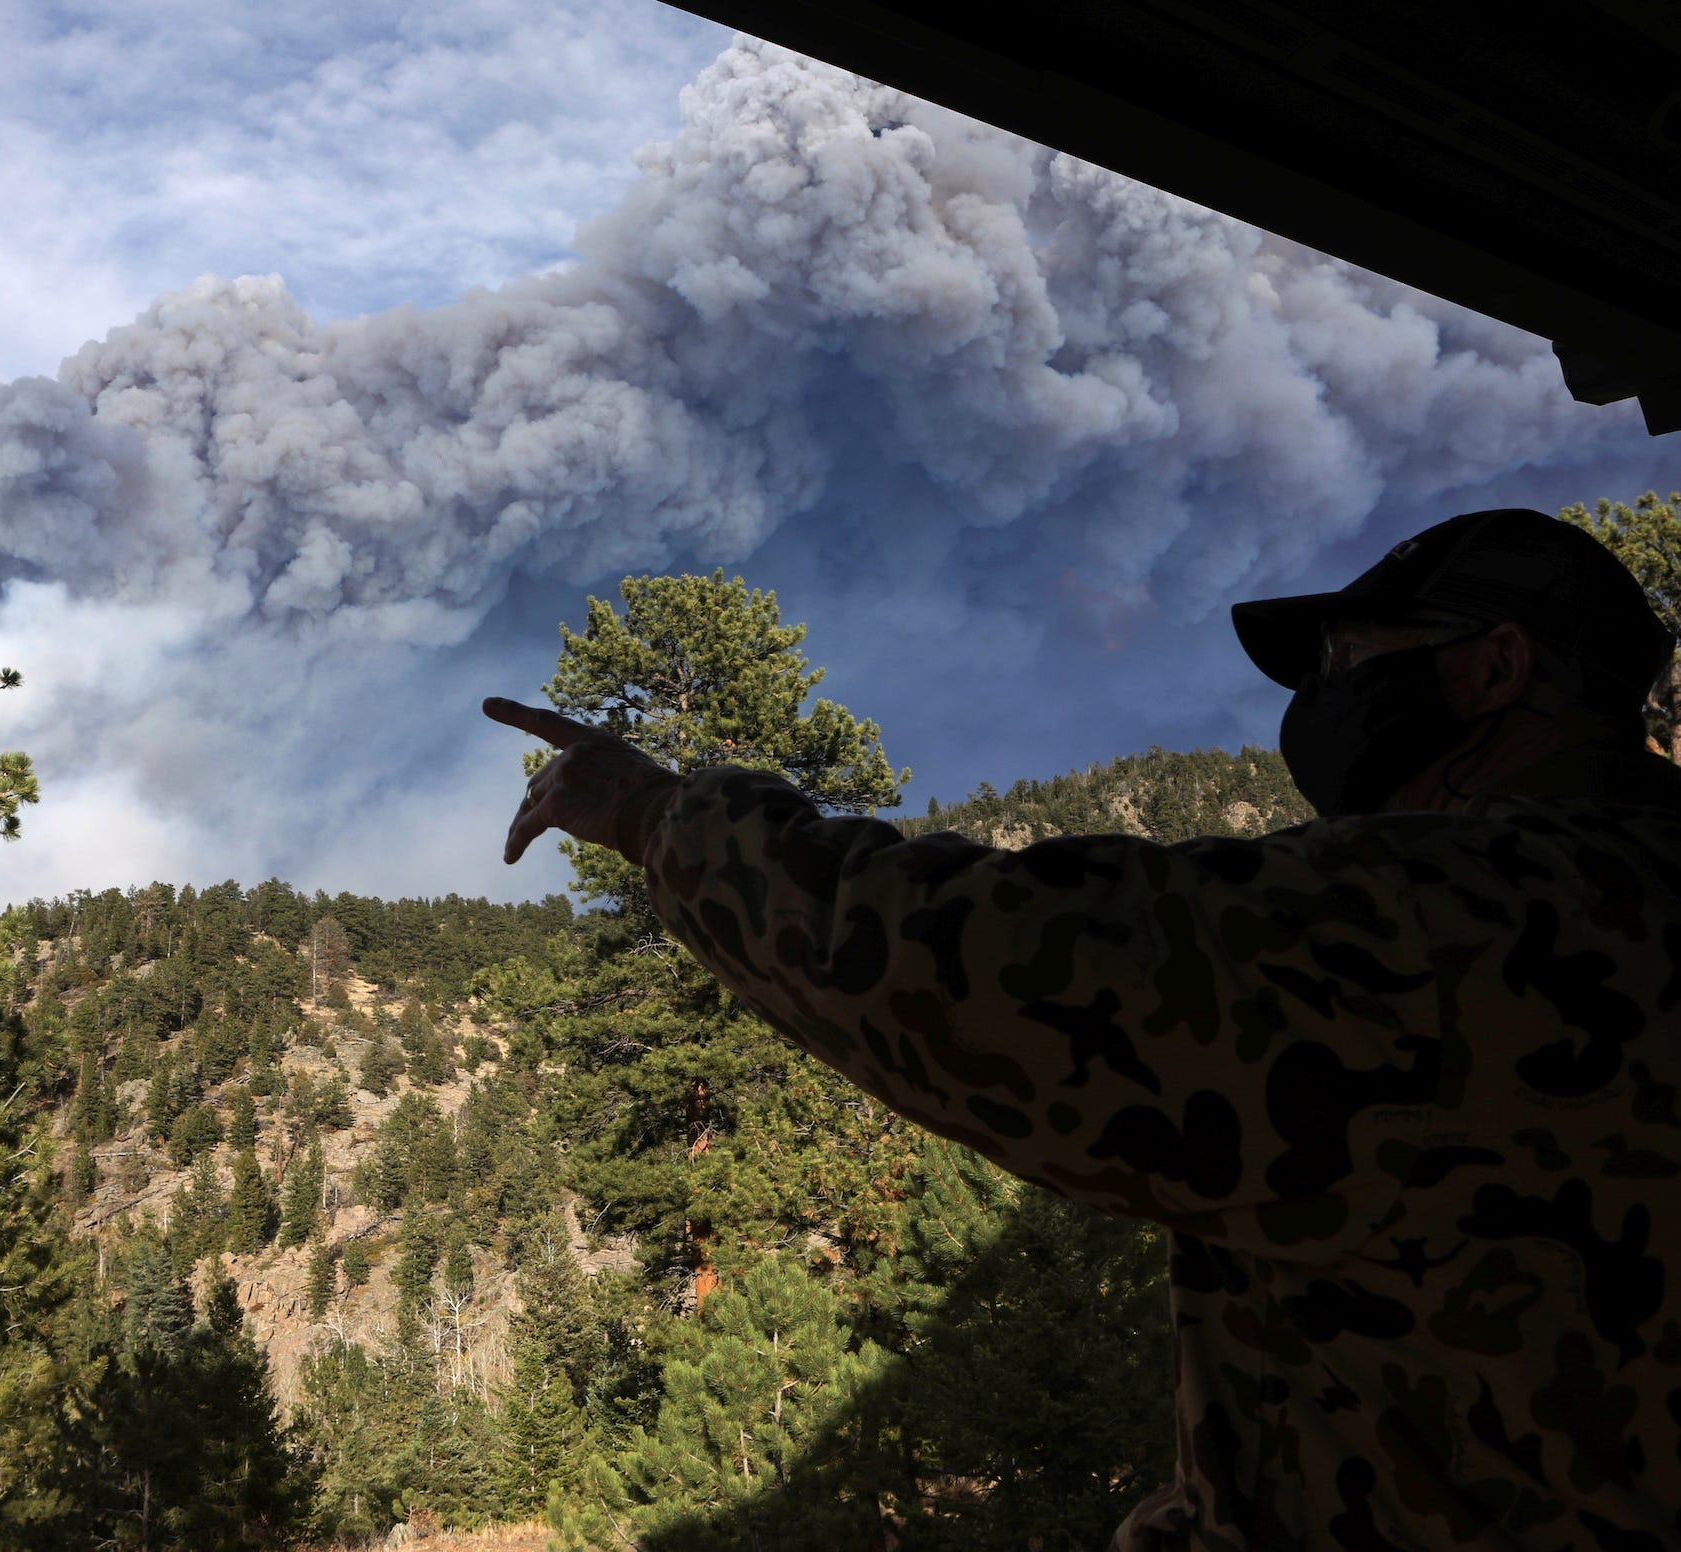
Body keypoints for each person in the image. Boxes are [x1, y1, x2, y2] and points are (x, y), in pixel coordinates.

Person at [484, 507, 1681, 1551]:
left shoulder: (1473, 909)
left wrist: (659, 816)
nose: (1321, 689)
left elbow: (995, 969)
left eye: (1349, 653)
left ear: (1496, 665)